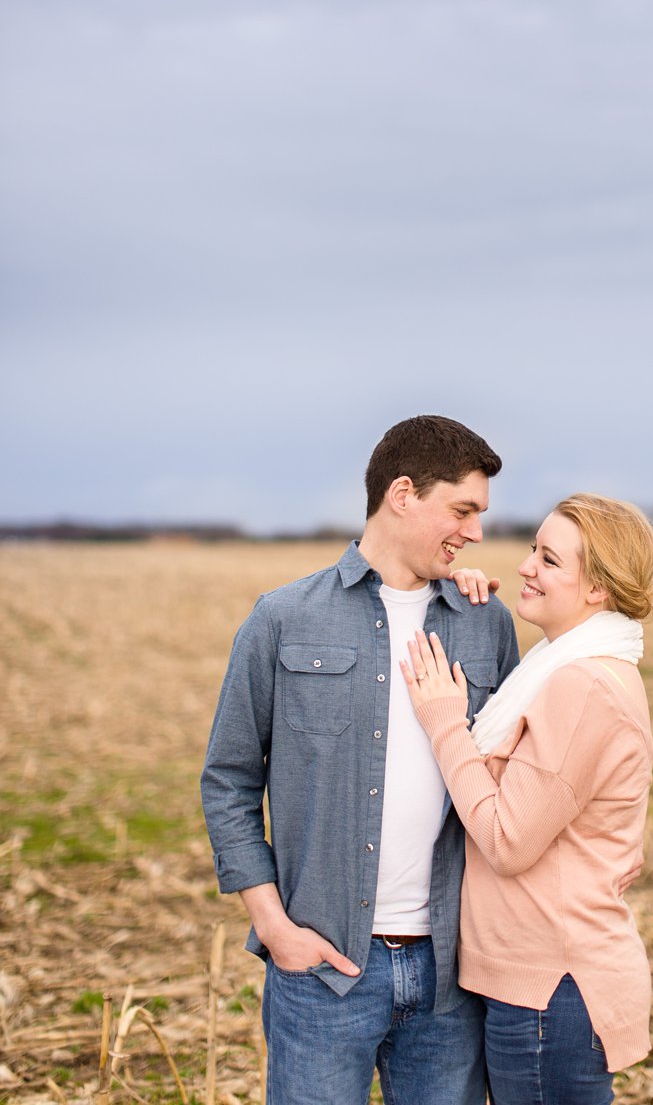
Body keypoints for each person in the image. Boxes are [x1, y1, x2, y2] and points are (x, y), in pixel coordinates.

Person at [200, 415, 519, 1105]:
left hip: (451, 974)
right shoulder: (282, 619)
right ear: (402, 494)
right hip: (322, 970)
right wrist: (273, 927)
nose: (476, 532)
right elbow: (227, 781)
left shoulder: (485, 620)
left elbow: (516, 777)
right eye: (462, 510)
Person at [402, 493, 653, 1105]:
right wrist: (452, 589)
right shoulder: (556, 667)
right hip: (540, 980)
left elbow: (508, 839)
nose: (526, 567)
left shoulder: (583, 686)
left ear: (597, 588)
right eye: (532, 550)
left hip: (553, 985)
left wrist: (445, 723)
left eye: (549, 559)